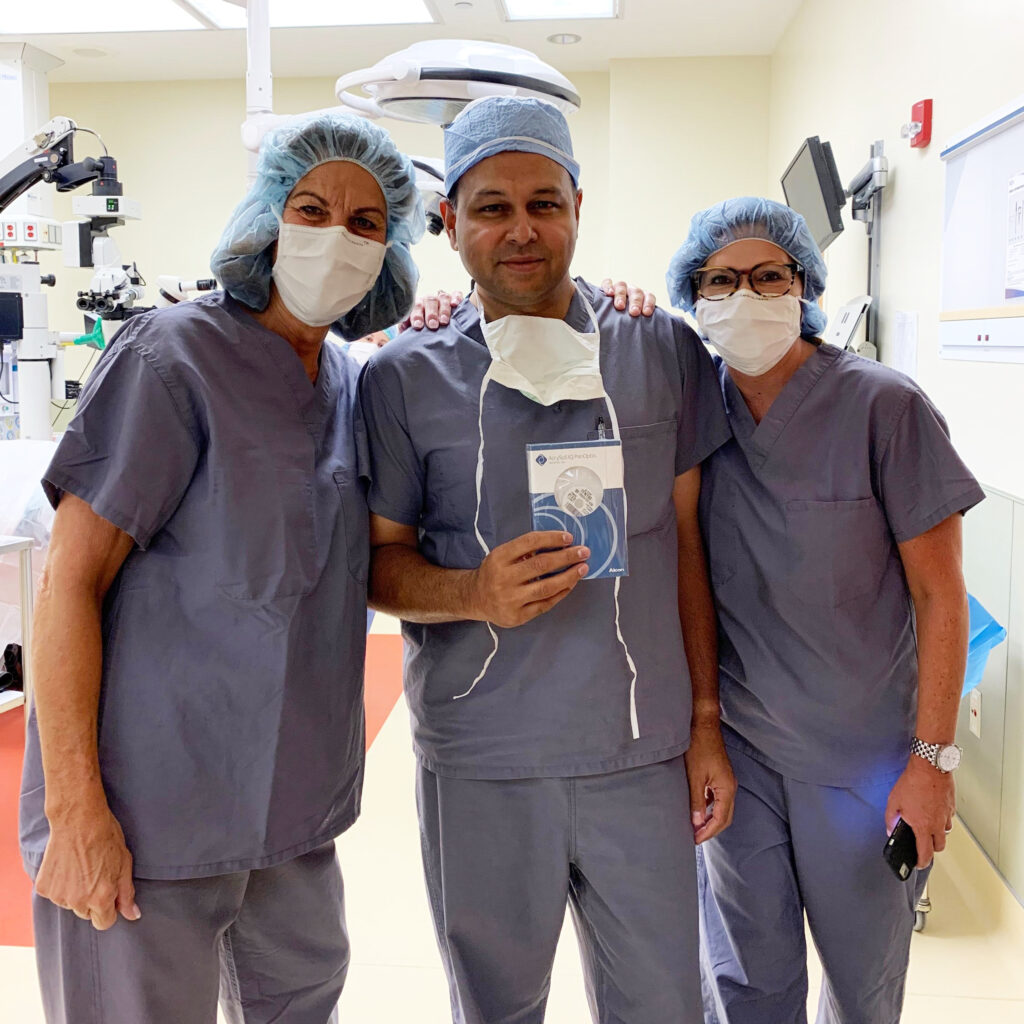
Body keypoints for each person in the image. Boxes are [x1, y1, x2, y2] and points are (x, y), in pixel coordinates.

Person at [19, 111, 424, 1024]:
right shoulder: (172, 359)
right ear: (265, 218)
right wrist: (80, 807)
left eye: (366, 224)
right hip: (147, 811)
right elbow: (68, 583)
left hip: (289, 812)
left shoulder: (354, 382)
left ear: (391, 250)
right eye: (312, 208)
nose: (337, 238)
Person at [359, 95, 736, 1024]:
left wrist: (705, 724)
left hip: (637, 751)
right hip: (482, 758)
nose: (521, 230)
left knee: (661, 1003)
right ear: (448, 223)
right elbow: (378, 565)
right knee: (495, 1004)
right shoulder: (405, 376)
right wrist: (471, 591)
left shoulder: (659, 347)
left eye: (544, 202)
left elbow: (688, 543)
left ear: (578, 206)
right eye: (491, 206)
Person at [665, 197, 985, 1024]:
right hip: (740, 755)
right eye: (720, 280)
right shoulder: (699, 411)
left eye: (769, 276)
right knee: (746, 983)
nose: (746, 295)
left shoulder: (885, 407)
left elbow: (940, 593)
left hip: (865, 762)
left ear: (804, 285)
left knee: (862, 984)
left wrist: (931, 763)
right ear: (692, 295)